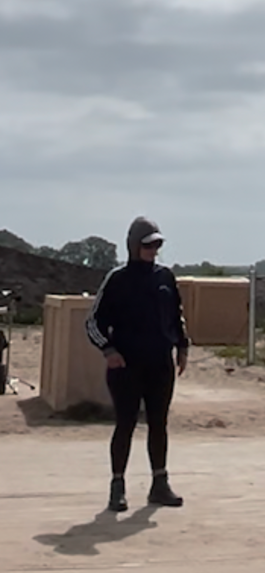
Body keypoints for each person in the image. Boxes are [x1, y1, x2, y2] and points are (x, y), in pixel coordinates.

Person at [85, 216, 189, 512]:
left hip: (160, 363)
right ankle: (117, 486)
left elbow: (176, 315)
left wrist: (183, 346)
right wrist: (108, 350)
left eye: (157, 245)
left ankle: (160, 484)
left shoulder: (165, 277)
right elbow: (93, 322)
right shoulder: (117, 279)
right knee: (126, 424)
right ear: (133, 246)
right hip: (126, 366)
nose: (153, 250)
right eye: (147, 245)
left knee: (159, 423)